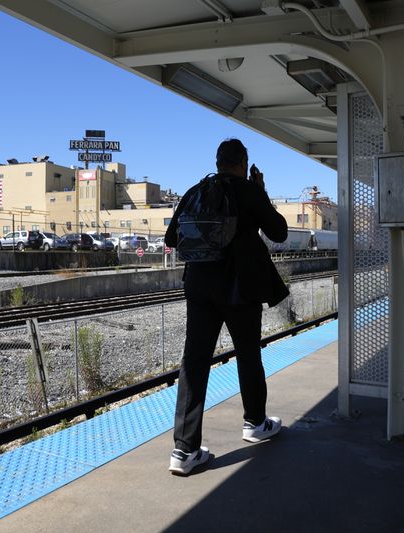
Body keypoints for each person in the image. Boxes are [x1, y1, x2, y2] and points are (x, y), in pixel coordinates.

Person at [164, 138, 289, 475]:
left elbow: (171, 238)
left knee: (194, 362)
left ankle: (184, 450)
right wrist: (260, 192)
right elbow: (279, 231)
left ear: (218, 162)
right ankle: (255, 423)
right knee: (248, 354)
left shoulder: (195, 192)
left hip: (200, 289)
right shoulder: (248, 192)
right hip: (240, 290)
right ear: (243, 164)